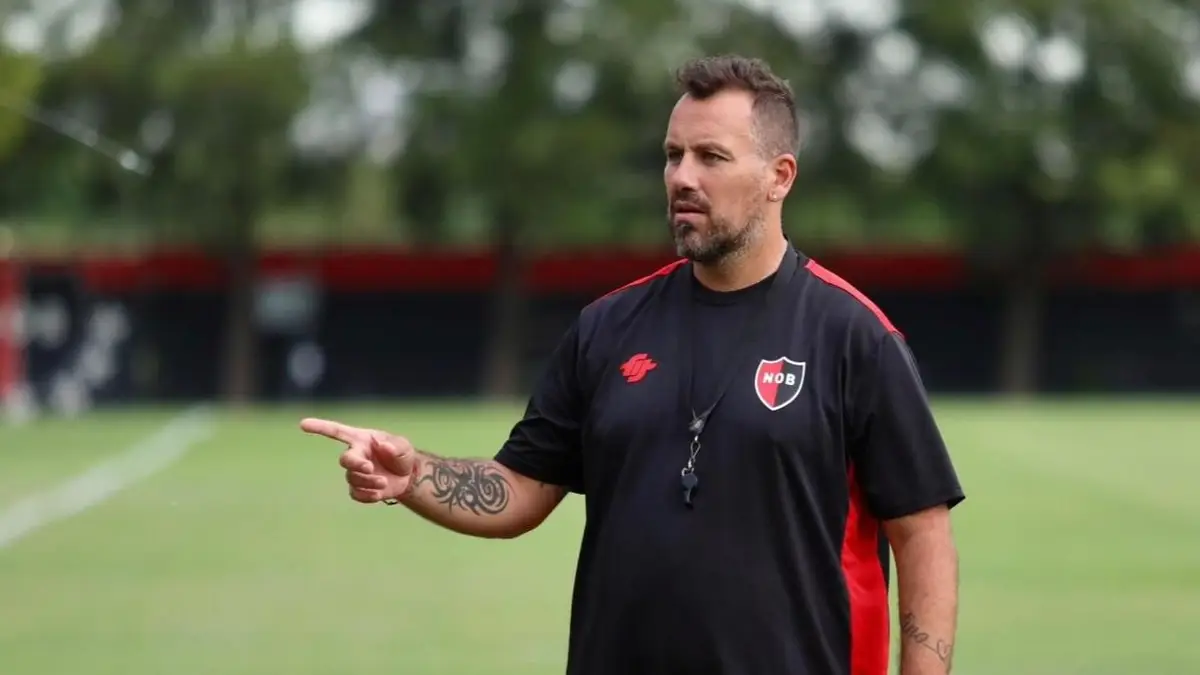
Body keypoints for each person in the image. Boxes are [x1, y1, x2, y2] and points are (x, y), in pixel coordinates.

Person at [301, 54, 965, 675]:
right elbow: (521, 487)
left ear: (779, 176)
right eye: (673, 156)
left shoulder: (855, 337)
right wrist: (414, 474)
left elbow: (923, 535)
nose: (682, 177)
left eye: (711, 157)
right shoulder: (608, 328)